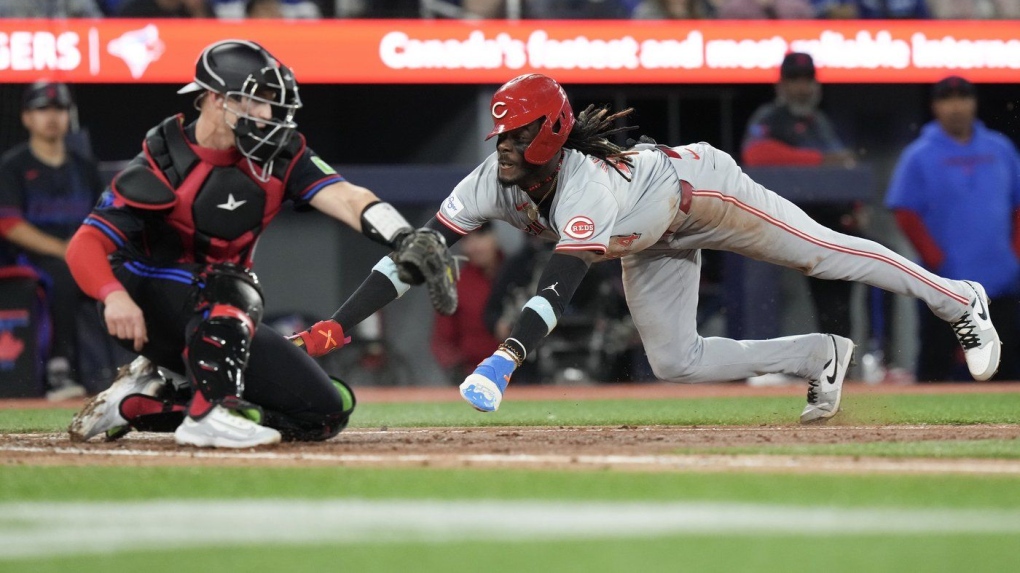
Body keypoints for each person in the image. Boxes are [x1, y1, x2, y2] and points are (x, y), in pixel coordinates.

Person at [293, 73, 1001, 424]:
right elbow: (413, 255)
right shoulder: (493, 180)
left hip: (701, 193)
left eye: (513, 137)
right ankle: (819, 354)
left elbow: (557, 282)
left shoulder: (583, 184)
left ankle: (956, 298)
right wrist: (331, 329)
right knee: (675, 360)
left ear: (546, 134)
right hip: (648, 235)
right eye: (500, 137)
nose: (501, 148)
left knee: (823, 252)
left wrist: (504, 360)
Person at [65, 39, 453, 448]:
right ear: (215, 99)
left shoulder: (281, 155)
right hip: (145, 304)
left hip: (224, 312)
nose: (267, 115)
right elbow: (85, 243)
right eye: (255, 101)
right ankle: (209, 413)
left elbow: (347, 197)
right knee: (233, 282)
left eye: (272, 103)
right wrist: (112, 296)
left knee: (323, 411)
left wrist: (403, 234)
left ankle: (146, 401)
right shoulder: (164, 159)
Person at [886, 75, 1020, 382]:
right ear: (936, 106)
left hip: (1001, 283)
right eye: (947, 100)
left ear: (974, 103)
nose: (956, 107)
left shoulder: (1000, 147)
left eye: (963, 98)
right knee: (936, 365)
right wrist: (938, 262)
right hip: (945, 286)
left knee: (1008, 367)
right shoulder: (919, 154)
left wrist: (1014, 257)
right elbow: (905, 213)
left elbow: (1017, 206)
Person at [742, 52, 859, 350]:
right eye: (794, 80)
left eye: (807, 80)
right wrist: (821, 160)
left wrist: (856, 207)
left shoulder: (820, 122)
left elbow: (846, 168)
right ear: (781, 85)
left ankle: (845, 356)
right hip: (781, 221)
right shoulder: (770, 117)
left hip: (827, 221)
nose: (801, 88)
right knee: (771, 286)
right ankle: (764, 359)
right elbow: (756, 154)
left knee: (850, 278)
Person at [0, 81, 103, 400]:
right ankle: (59, 367)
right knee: (62, 271)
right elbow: (10, 225)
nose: (52, 116)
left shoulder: (84, 167)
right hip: (28, 259)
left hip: (82, 252)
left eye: (59, 109)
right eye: (42, 109)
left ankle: (123, 370)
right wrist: (65, 249)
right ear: (27, 117)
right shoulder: (13, 166)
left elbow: (104, 217)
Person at [431, 222, 502, 384]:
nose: (474, 247)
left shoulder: (516, 271)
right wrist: (458, 369)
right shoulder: (456, 282)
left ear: (494, 237)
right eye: (467, 240)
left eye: (480, 237)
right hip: (474, 374)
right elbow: (442, 339)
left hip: (520, 373)